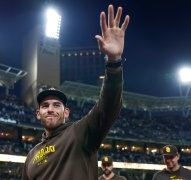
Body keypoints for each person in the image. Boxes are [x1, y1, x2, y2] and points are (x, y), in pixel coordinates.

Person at [21, 4, 130, 180]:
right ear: (37, 114)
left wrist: (114, 61)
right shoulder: (32, 155)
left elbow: (107, 106)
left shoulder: (80, 133)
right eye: (45, 105)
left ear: (66, 112)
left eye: (57, 105)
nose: (50, 109)